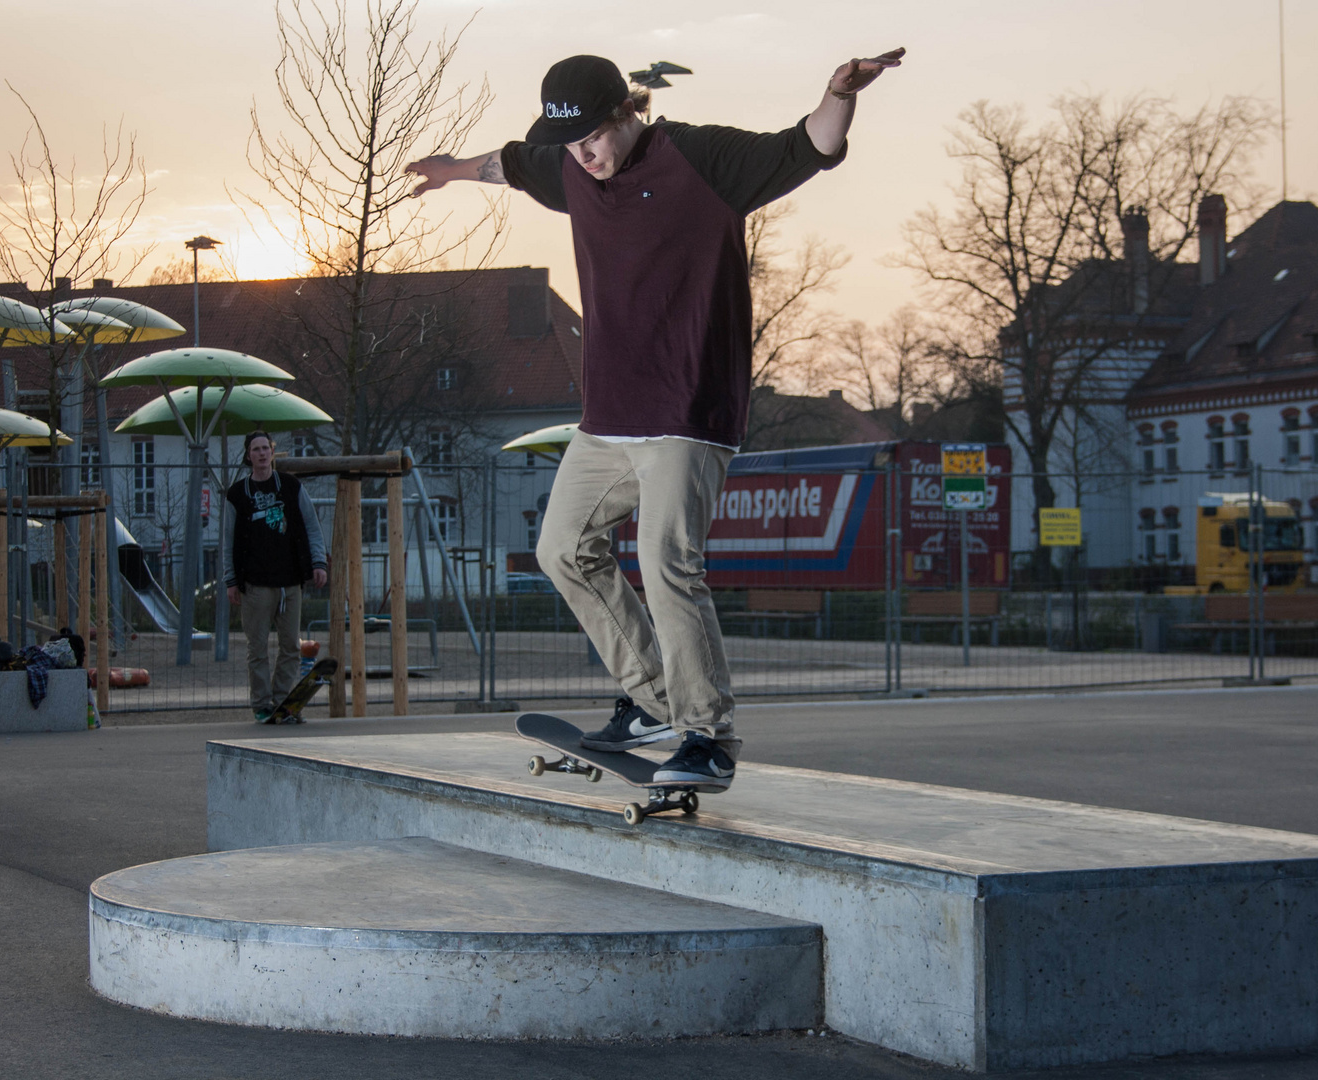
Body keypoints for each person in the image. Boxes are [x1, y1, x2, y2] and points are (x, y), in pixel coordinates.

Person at [407, 48, 903, 788]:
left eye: (595, 140)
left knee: (670, 566)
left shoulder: (702, 158)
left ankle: (708, 735)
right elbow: (509, 164)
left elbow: (809, 147)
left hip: (688, 408)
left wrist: (838, 94)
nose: (587, 159)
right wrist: (451, 168)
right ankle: (653, 700)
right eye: (572, 147)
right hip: (610, 415)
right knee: (562, 549)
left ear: (626, 112)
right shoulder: (568, 164)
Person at [223, 431, 329, 723]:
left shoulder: (291, 487)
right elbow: (227, 540)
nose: (261, 454)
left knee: (291, 646)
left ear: (272, 453)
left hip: (290, 580)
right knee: (256, 648)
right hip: (255, 584)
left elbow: (311, 525)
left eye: (265, 449)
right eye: (255, 449)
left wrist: (318, 562)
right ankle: (261, 703)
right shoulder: (237, 495)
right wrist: (231, 580)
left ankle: (284, 700)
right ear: (248, 455)